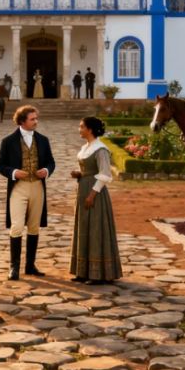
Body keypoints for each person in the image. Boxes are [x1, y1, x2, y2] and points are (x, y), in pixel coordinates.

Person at [0, 105, 56, 280]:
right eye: (32, 119)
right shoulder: (8, 141)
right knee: (16, 226)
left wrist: (46, 170)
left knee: (34, 226)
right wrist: (14, 172)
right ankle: (14, 267)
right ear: (22, 121)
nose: (36, 121)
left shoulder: (43, 140)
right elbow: (0, 165)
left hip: (38, 186)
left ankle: (30, 265)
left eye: (36, 118)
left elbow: (51, 162)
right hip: (19, 187)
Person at [70, 117, 122, 284]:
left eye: (81, 126)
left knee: (96, 228)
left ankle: (97, 274)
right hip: (83, 188)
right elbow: (88, 169)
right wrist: (79, 173)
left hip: (95, 193)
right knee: (84, 227)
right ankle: (83, 271)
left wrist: (92, 194)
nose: (79, 129)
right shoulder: (86, 147)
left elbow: (105, 174)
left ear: (90, 129)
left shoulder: (101, 149)